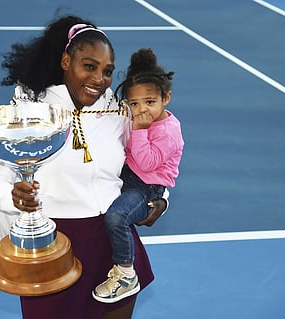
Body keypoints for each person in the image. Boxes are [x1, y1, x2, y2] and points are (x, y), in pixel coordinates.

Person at [0, 15, 168, 319]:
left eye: (107, 71)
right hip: (53, 252)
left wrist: (161, 200)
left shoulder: (120, 112)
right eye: (89, 66)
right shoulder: (28, 114)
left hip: (115, 251)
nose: (99, 79)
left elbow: (155, 159)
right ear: (65, 60)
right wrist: (15, 198)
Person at [92, 48, 184, 303]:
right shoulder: (137, 118)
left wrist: (140, 130)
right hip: (129, 174)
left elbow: (147, 162)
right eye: (134, 103)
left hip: (146, 187)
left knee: (116, 216)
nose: (142, 109)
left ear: (166, 98)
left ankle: (125, 273)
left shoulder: (168, 131)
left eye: (150, 102)